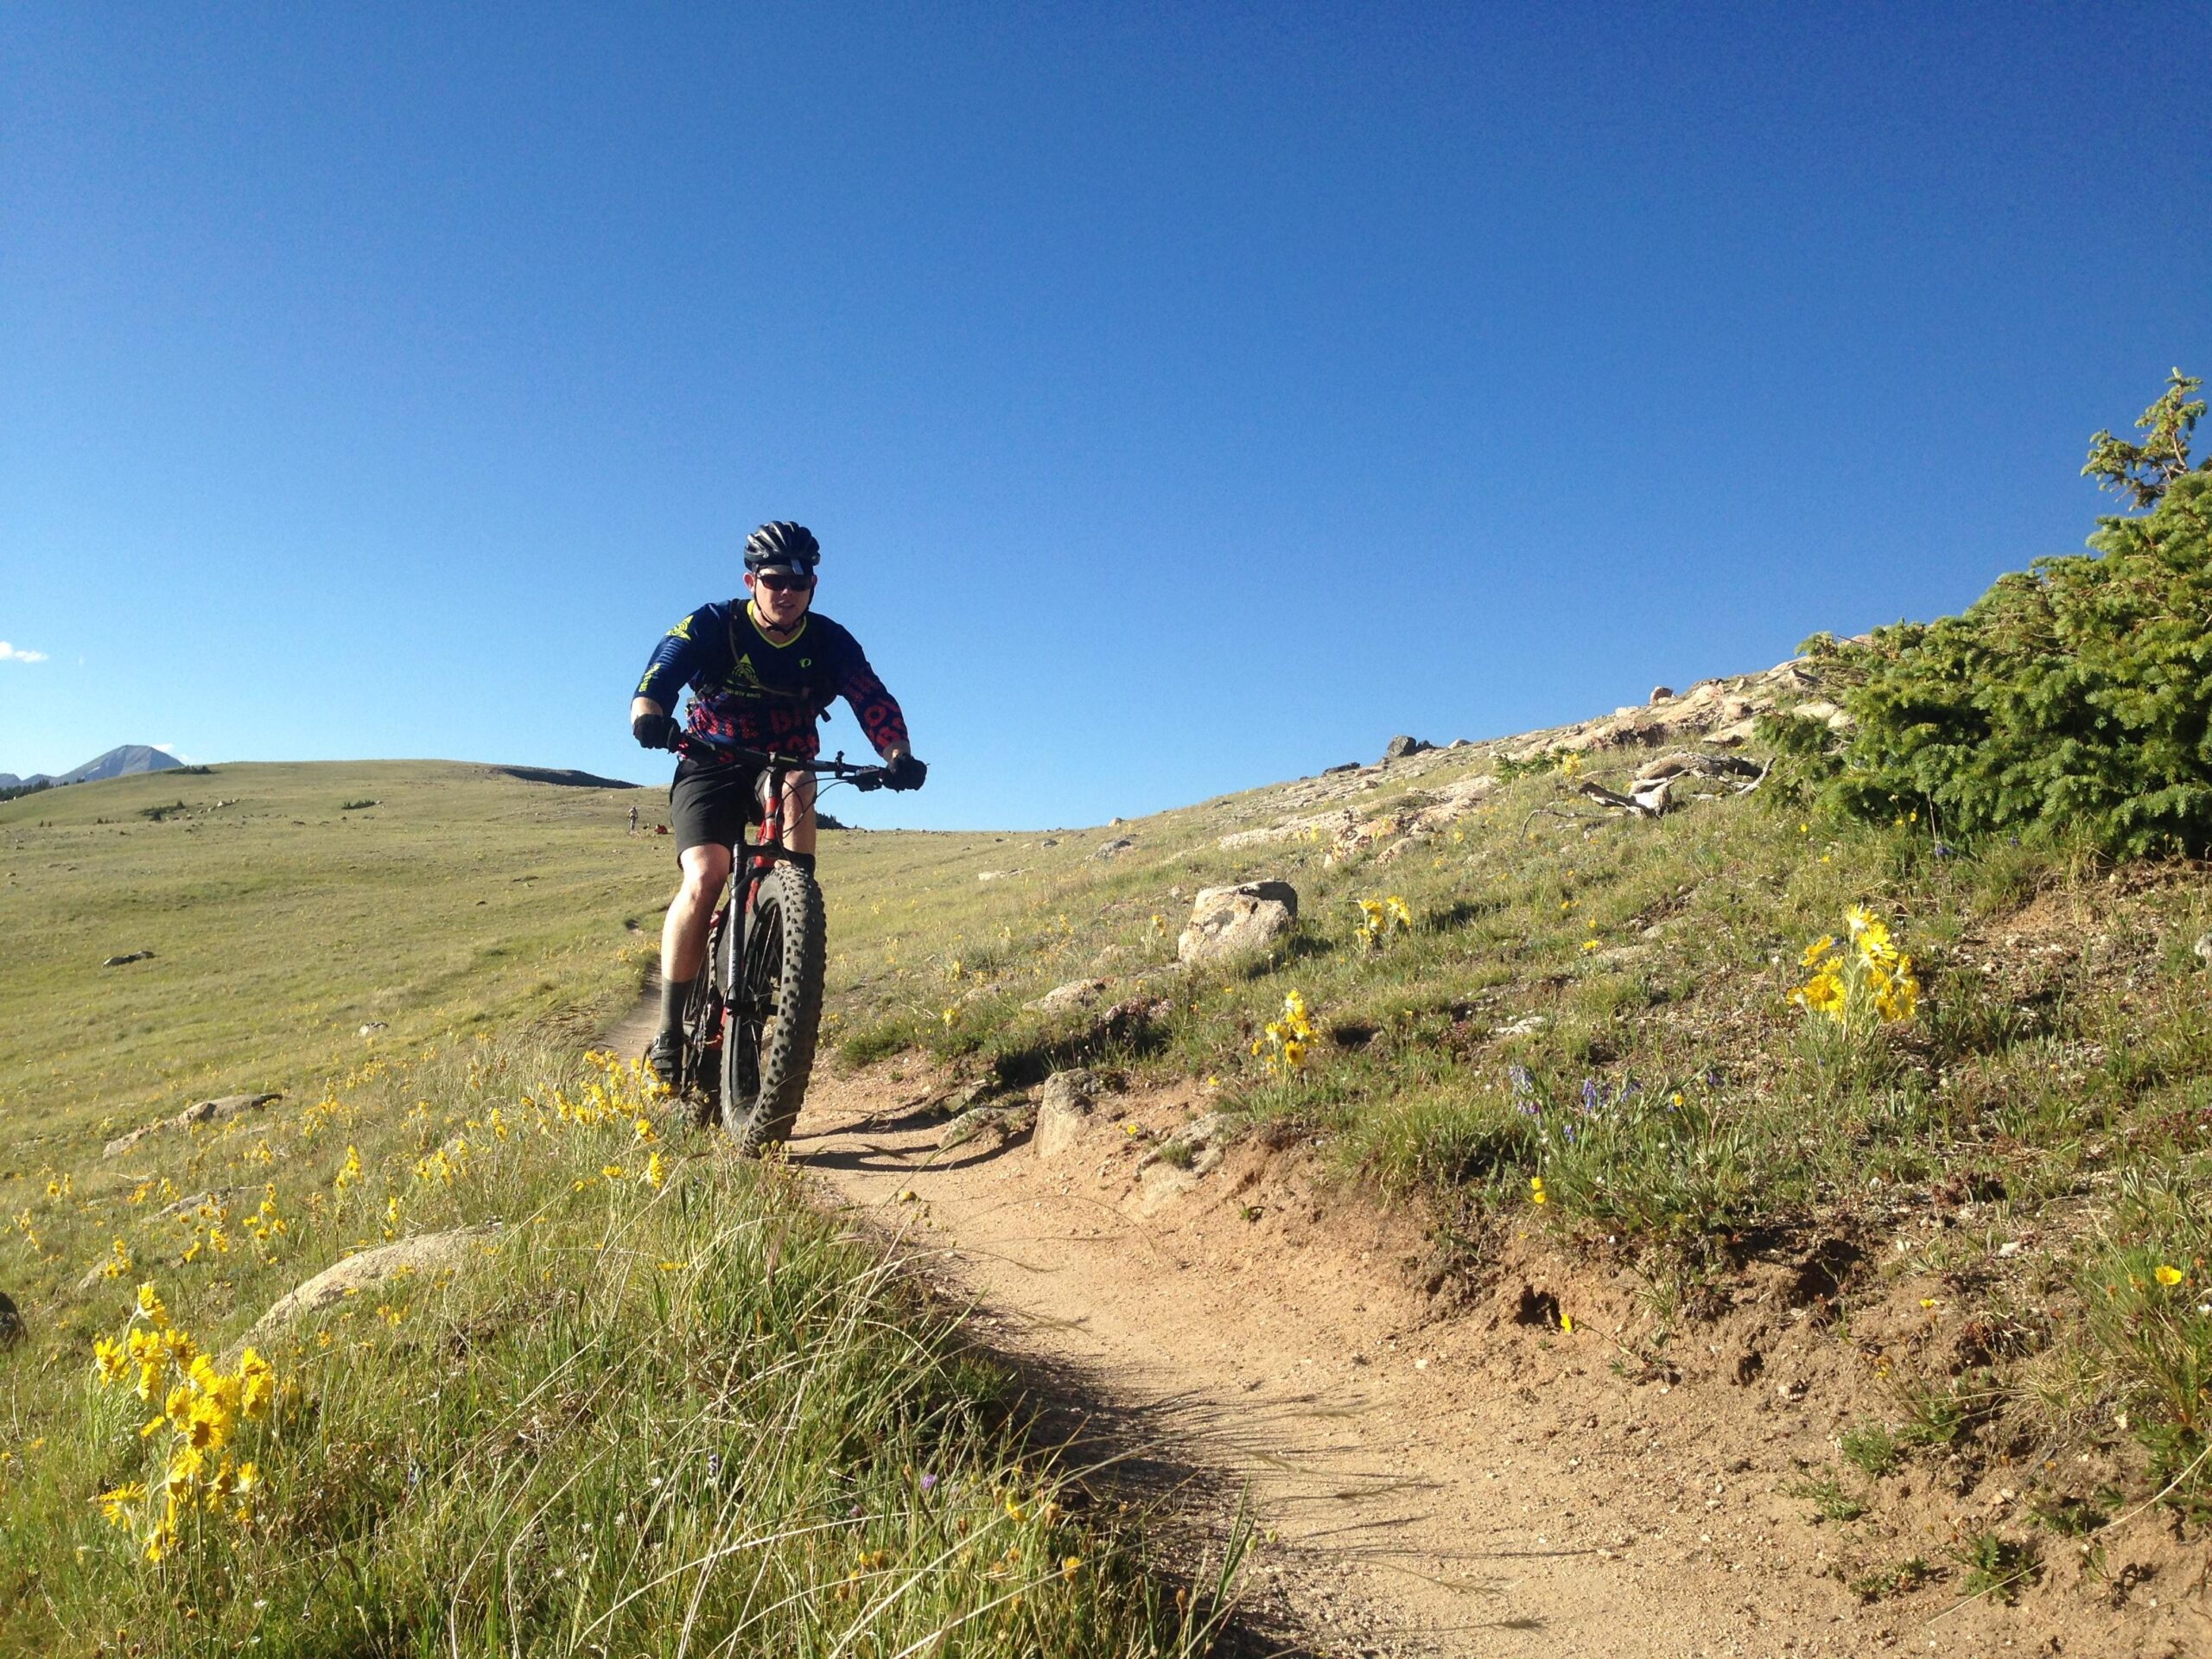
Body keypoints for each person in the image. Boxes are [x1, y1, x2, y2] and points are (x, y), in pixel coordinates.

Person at [628, 521, 925, 1080]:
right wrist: (649, 716)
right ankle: (668, 1030)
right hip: (710, 758)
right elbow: (661, 673)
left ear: (813, 584)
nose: (786, 591)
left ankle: (790, 926)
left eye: (799, 580)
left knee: (797, 790)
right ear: (751, 580)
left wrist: (896, 753)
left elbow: (870, 695)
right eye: (773, 580)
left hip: (785, 758)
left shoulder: (830, 640)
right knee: (706, 875)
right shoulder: (715, 624)